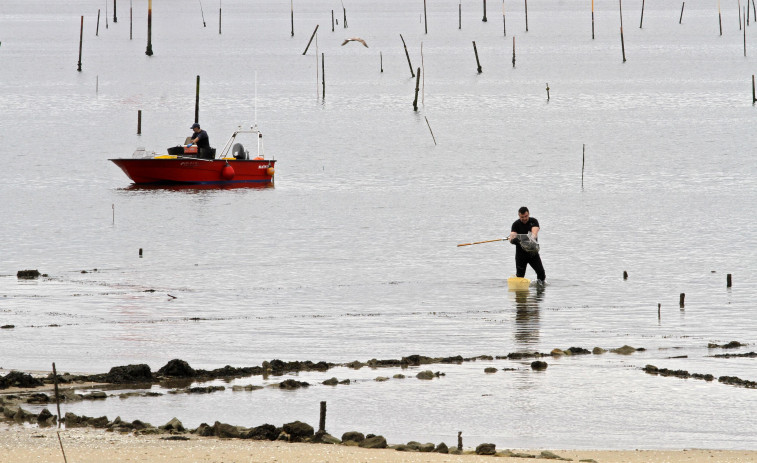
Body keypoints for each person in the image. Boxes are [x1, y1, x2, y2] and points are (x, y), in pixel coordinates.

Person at [507, 206, 546, 284]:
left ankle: (540, 291)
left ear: (528, 214)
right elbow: (512, 237)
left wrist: (529, 238)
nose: (524, 218)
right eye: (522, 217)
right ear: (519, 216)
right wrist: (513, 240)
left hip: (532, 253)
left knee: (541, 273)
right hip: (520, 255)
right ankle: (520, 293)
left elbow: (534, 233)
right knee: (520, 276)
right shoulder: (516, 224)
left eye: (526, 216)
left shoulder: (533, 221)